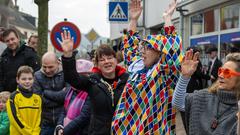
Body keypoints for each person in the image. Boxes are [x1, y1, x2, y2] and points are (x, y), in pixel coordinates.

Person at [111, 0, 183, 134]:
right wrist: (133, 19)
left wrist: (167, 18)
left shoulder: (163, 73)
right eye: (142, 47)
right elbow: (129, 46)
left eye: (148, 48)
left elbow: (173, 48)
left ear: (160, 52)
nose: (143, 51)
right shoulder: (137, 68)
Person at [60, 34, 129, 135]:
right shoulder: (92, 81)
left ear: (116, 60)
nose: (107, 62)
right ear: (97, 64)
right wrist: (68, 55)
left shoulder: (127, 80)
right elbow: (72, 78)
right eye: (102, 60)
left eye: (110, 58)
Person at [172, 51, 240, 135]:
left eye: (227, 72)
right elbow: (178, 103)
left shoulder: (237, 110)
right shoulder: (204, 96)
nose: (221, 75)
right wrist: (185, 76)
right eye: (220, 71)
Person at [32, 52, 68, 135]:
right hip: (45, 121)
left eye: (50, 67)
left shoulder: (66, 74)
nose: (47, 70)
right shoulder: (37, 76)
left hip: (63, 120)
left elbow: (67, 97)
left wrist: (46, 93)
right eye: (44, 67)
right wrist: (60, 98)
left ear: (58, 63)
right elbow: (38, 100)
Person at [55, 59, 93, 135]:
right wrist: (59, 126)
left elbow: (84, 116)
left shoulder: (90, 93)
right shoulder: (70, 90)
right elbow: (64, 111)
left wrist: (65, 131)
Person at [0, 28, 40, 93]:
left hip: (24, 95)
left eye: (12, 39)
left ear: (18, 38)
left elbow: (36, 75)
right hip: (7, 96)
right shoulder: (4, 56)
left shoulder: (30, 54)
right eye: (7, 41)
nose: (11, 42)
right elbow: (1, 76)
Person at [6, 66, 42, 135]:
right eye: (23, 79)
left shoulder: (38, 98)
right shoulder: (13, 97)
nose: (27, 81)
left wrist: (35, 132)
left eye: (30, 79)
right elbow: (15, 120)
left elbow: (39, 119)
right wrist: (30, 133)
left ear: (33, 79)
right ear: (17, 80)